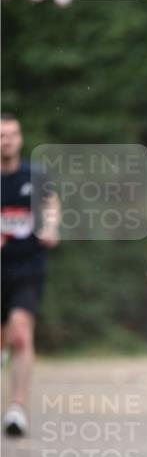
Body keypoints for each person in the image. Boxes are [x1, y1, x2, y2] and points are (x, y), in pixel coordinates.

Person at [1, 113, 60, 437]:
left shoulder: (34, 176)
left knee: (21, 333)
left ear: (20, 138)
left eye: (11, 134)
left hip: (26, 267)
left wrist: (51, 226)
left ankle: (17, 408)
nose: (6, 140)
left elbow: (51, 205)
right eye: (1, 135)